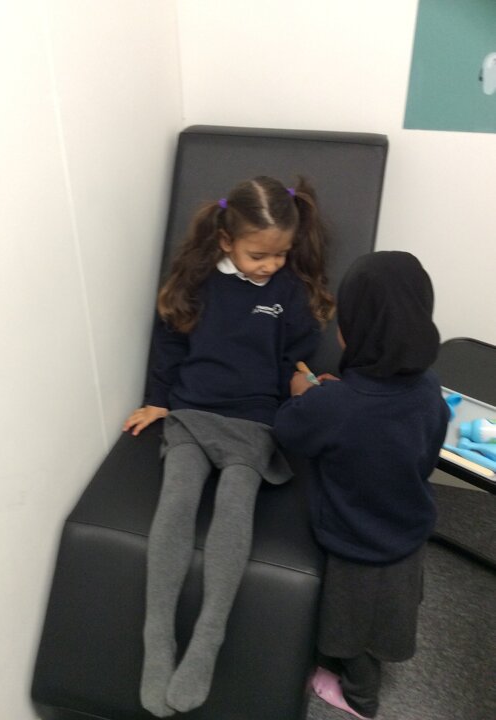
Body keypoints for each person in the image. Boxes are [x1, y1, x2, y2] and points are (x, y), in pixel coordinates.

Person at [123, 175, 334, 717]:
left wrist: (304, 392)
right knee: (178, 497)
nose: (270, 265)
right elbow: (169, 345)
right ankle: (157, 637)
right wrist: (158, 402)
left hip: (254, 420)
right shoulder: (198, 282)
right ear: (226, 240)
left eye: (280, 255)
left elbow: (293, 361)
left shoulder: (287, 292)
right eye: (258, 255)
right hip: (192, 411)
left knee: (236, 501)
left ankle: (208, 635)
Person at [274, 251, 449, 719]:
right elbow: (425, 448)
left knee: (352, 628)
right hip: (409, 531)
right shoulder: (429, 388)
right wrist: (336, 394)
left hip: (355, 543)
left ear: (356, 331)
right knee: (389, 610)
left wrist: (302, 394)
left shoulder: (335, 406)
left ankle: (359, 696)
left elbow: (290, 430)